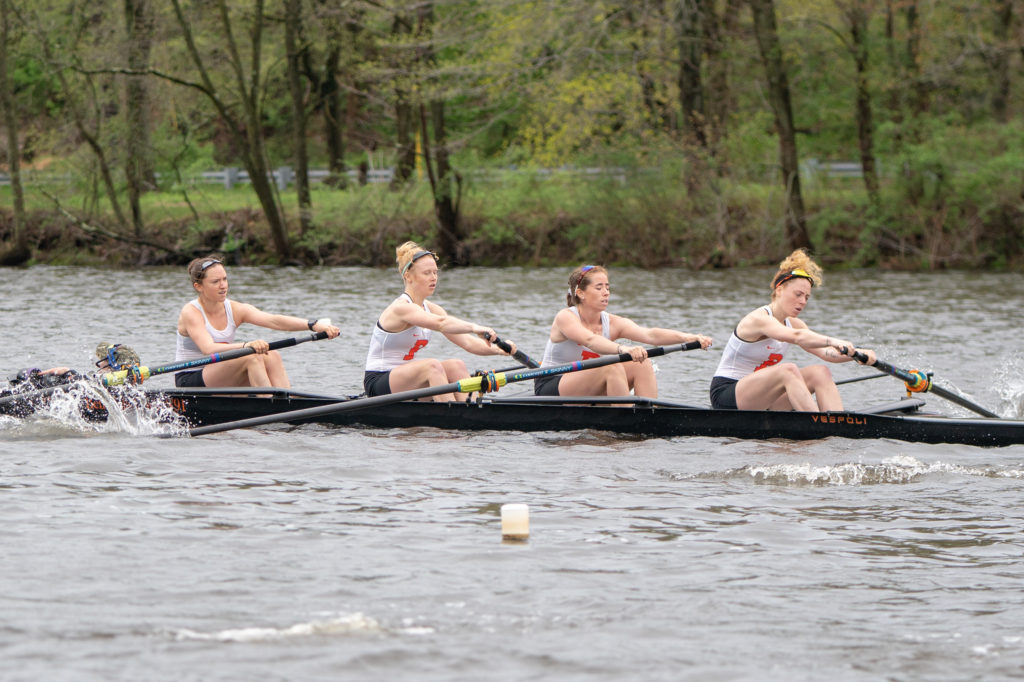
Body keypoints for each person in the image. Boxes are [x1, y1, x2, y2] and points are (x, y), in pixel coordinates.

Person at [709, 249, 876, 412]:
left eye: (806, 297)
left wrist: (856, 354)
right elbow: (797, 337)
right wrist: (833, 340)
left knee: (820, 372)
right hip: (727, 395)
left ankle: (838, 425)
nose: (803, 301)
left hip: (764, 397)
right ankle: (817, 426)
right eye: (798, 294)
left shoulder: (796, 324)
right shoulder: (759, 319)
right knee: (788, 370)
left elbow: (827, 353)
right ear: (779, 289)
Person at [363, 241, 515, 402]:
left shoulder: (432, 309)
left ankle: (471, 412)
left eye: (435, 272)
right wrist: (474, 327)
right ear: (408, 276)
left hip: (406, 380)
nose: (433, 278)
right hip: (378, 383)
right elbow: (441, 323)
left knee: (456, 365)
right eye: (427, 273)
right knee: (432, 366)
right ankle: (452, 417)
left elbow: (468, 343)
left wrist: (499, 349)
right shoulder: (401, 308)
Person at [534, 265, 712, 398]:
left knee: (642, 363)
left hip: (586, 381)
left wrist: (687, 337)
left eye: (608, 287)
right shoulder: (565, 317)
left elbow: (650, 335)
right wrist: (622, 349)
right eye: (599, 288)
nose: (606, 293)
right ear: (580, 293)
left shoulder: (612, 322)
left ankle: (649, 417)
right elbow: (590, 340)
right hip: (552, 383)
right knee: (612, 365)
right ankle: (623, 420)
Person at [175, 256, 340, 388]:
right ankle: (269, 404)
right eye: (215, 282)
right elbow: (208, 348)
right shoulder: (191, 312)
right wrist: (247, 345)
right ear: (199, 286)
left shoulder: (234, 309)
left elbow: (274, 321)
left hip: (221, 371)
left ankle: (288, 402)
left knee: (272, 355)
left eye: (224, 279)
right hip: (191, 378)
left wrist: (312, 325)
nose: (223, 286)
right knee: (251, 356)